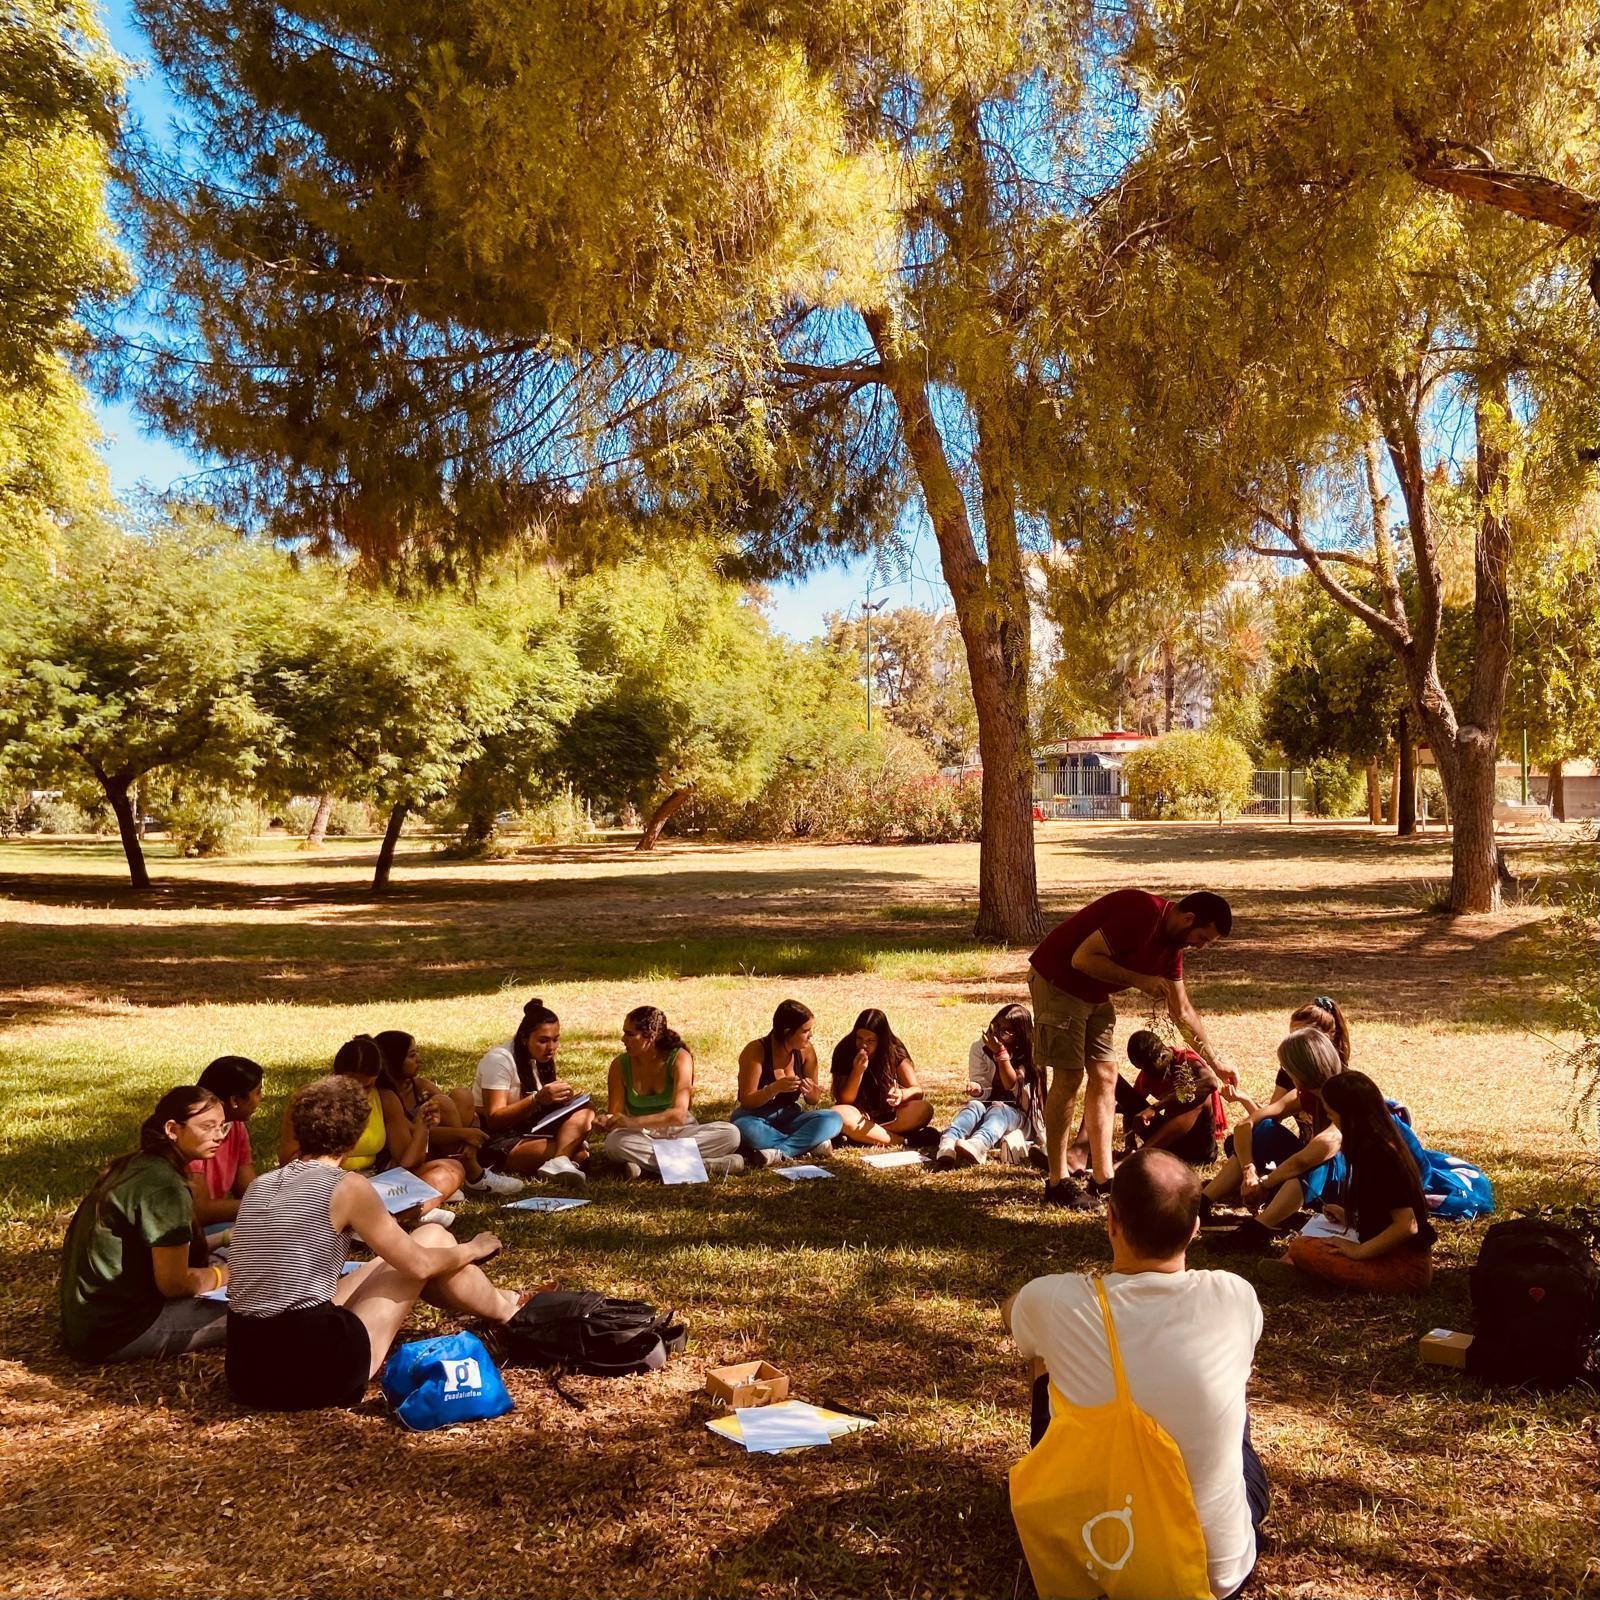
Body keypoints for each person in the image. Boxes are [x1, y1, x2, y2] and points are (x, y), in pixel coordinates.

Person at [1003, 1149, 1268, 1600]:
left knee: (1046, 1364)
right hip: (1217, 1573)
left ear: (1111, 1220)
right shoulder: (1235, 1295)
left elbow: (1012, 1317)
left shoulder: (1057, 1301)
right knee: (1234, 1420)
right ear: (1195, 1228)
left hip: (1098, 1551)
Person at [226, 1075, 524, 1411]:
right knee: (433, 1239)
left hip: (246, 1370)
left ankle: (508, 1304)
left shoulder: (261, 1184)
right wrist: (474, 1247)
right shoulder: (347, 1186)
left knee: (408, 1252)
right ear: (356, 1138)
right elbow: (419, 1265)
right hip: (312, 1374)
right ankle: (513, 1315)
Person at [1028, 889, 1236, 1211]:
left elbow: (1182, 1010)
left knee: (1106, 1075)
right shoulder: (1141, 912)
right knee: (1069, 1077)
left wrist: (1214, 1059)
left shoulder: (1171, 948)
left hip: (1093, 994)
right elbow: (1082, 958)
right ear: (1188, 919)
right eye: (1202, 938)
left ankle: (1103, 1178)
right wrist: (1140, 979)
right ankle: (1058, 1182)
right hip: (1059, 982)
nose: (1200, 946)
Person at [60, 1087, 231, 1362]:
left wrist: (224, 1239)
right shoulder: (165, 1186)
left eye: (223, 1126)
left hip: (94, 1321)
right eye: (208, 1127)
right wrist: (226, 1275)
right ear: (172, 1129)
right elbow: (174, 1284)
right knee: (270, 1306)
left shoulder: (140, 1164)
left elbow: (161, 1252)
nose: (219, 1136)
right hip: (122, 1329)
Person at [1284, 1071, 1437, 1294]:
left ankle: (1310, 1273)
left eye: (1331, 1114)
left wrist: (1358, 1251)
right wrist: (1350, 1218)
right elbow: (1386, 1214)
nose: (1331, 1121)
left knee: (1300, 1248)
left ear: (1349, 1116)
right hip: (1392, 1256)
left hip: (1404, 1269)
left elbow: (1407, 1225)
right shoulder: (1375, 1144)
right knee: (1308, 1244)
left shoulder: (1381, 1155)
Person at [279, 1036, 463, 1220]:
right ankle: (396, 1216)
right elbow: (288, 1162)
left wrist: (423, 1127)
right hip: (326, 1184)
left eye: (366, 1087)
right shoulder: (310, 1100)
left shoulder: (385, 1099)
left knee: (452, 1169)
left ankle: (379, 1218)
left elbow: (407, 1163)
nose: (358, 1093)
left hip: (375, 1184)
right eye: (350, 1085)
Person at [1204, 1027, 1345, 1253]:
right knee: (1264, 1131)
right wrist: (1249, 1170)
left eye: (1288, 1069)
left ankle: (1257, 1231)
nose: (1287, 1075)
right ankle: (1202, 1204)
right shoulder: (1306, 1094)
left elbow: (1317, 1152)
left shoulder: (1345, 1095)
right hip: (1308, 1175)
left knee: (1315, 1162)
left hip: (1341, 1187)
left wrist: (1264, 1185)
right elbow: (1246, 1125)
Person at [596, 1005, 744, 1177]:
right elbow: (615, 1115)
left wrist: (631, 1122)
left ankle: (647, 1167)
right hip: (641, 1135)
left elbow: (678, 1116)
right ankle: (709, 1165)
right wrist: (606, 1121)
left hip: (679, 1131)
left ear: (650, 1036)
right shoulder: (619, 1065)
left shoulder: (680, 1058)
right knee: (614, 1143)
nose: (623, 1039)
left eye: (630, 1034)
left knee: (731, 1134)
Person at [375, 1030, 523, 1197]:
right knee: (441, 1102)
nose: (419, 1059)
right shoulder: (387, 1096)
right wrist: (464, 1134)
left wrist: (471, 1136)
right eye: (412, 1055)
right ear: (394, 1061)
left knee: (462, 1095)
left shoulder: (420, 1085)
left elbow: (460, 1113)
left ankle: (465, 1164)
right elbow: (413, 1132)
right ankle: (473, 1173)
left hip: (437, 1147)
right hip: (412, 1153)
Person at [473, 998, 595, 1181]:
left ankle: (559, 1161)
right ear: (524, 1038)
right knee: (579, 1152)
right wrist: (537, 1100)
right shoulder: (499, 1060)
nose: (551, 1048)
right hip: (498, 1139)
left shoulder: (540, 1059)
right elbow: (494, 1120)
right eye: (543, 1041)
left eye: (556, 1040)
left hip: (531, 1128)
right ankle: (565, 1158)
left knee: (586, 1110)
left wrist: (560, 1101)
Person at [732, 999, 844, 1167]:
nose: (811, 1035)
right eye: (805, 1031)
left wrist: (811, 1092)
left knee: (833, 1119)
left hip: (790, 1116)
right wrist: (773, 1089)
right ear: (788, 1032)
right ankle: (809, 1144)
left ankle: (780, 1152)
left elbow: (813, 1100)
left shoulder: (806, 1051)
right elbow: (747, 1100)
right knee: (744, 1128)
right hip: (755, 1117)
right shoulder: (756, 1050)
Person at [936, 1003, 1041, 1168]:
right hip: (987, 1112)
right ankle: (948, 1142)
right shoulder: (980, 1048)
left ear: (1019, 1034)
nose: (997, 1034)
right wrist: (977, 1090)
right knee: (974, 1106)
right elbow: (983, 1089)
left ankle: (980, 1144)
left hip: (1018, 1118)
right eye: (995, 1026)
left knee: (999, 1109)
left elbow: (1011, 1085)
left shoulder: (1028, 1054)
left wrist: (1001, 1055)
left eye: (1005, 1031)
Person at [1117, 1029, 1227, 1167]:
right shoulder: (1147, 1073)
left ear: (1163, 1055)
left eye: (1149, 1069)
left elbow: (1211, 1083)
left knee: (1200, 1096)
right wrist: (1129, 1144)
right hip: (1170, 1143)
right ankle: (1135, 1154)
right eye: (1142, 1069)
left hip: (1199, 1150)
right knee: (1119, 1086)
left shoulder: (1187, 1060)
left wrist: (1155, 1107)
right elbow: (1130, 1107)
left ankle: (1138, 1156)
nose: (1147, 1073)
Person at [829, 1008, 935, 1148]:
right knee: (838, 1113)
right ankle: (903, 1141)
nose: (863, 1045)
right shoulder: (844, 1049)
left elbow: (917, 1091)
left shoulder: (894, 1050)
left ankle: (865, 1137)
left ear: (881, 1040)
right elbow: (844, 1100)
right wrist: (857, 1072)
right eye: (859, 1038)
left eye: (870, 1040)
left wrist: (902, 1094)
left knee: (924, 1109)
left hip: (890, 1117)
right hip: (858, 1115)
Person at [189, 1056, 264, 1228]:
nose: (261, 1099)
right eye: (258, 1093)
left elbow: (248, 1189)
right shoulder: (192, 1132)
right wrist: (260, 1207)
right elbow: (199, 1211)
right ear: (235, 1100)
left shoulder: (236, 1127)